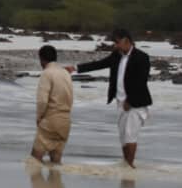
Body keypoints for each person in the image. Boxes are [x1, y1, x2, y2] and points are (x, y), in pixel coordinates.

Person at [65, 28, 152, 168]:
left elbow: (141, 81)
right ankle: (126, 165)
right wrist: (75, 68)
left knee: (130, 136)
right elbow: (99, 64)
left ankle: (130, 166)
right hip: (120, 101)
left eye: (117, 42)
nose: (115, 45)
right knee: (123, 137)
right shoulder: (117, 55)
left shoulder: (142, 57)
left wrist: (130, 101)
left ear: (126, 41)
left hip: (135, 103)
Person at [31, 44, 74, 165]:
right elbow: (70, 97)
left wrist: (39, 117)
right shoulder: (66, 73)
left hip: (51, 120)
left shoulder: (46, 73)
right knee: (56, 162)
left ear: (42, 59)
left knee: (34, 161)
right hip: (65, 120)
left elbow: (42, 101)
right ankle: (55, 183)